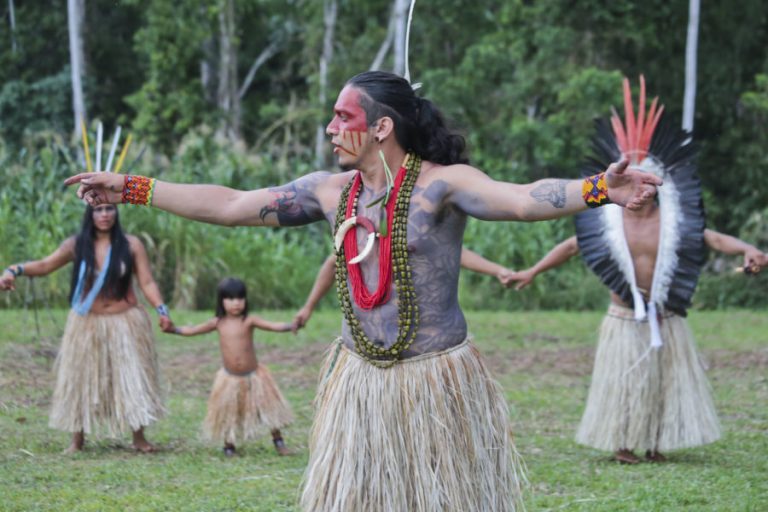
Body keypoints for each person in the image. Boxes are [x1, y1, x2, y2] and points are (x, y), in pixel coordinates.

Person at [66, 70, 660, 511]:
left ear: (381, 127)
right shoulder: (330, 192)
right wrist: (131, 186)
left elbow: (524, 199)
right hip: (360, 385)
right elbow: (229, 205)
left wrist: (597, 189)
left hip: (435, 383)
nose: (330, 128)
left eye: (342, 117)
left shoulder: (443, 186)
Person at [500, 77, 768, 464]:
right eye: (631, 184)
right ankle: (622, 442)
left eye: (645, 185)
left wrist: (748, 248)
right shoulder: (608, 218)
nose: (639, 192)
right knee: (624, 381)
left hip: (666, 313)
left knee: (663, 382)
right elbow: (573, 245)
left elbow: (712, 239)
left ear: (657, 185)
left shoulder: (674, 221)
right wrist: (532, 272)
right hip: (623, 315)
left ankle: (657, 441)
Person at [0, 204, 173, 453]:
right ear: (89, 214)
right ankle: (77, 440)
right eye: (98, 209)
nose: (104, 214)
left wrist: (161, 309)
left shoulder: (131, 245)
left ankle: (139, 438)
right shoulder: (76, 244)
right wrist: (13, 271)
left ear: (116, 212)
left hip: (125, 321)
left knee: (132, 377)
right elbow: (45, 265)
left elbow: (146, 281)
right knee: (81, 379)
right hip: (86, 323)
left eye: (109, 208)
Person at [171, 277, 296, 457]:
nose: (236, 303)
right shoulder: (217, 323)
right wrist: (173, 329)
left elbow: (271, 325)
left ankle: (279, 442)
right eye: (230, 299)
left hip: (254, 376)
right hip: (229, 379)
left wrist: (291, 326)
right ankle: (229, 446)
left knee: (269, 410)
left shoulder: (249, 321)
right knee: (229, 412)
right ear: (221, 301)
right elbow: (193, 330)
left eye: (240, 298)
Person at [293, 248, 519, 329]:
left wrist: (497, 270)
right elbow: (334, 262)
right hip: (372, 334)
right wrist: (308, 307)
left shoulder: (418, 228)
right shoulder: (366, 233)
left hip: (421, 335)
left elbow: (453, 253)